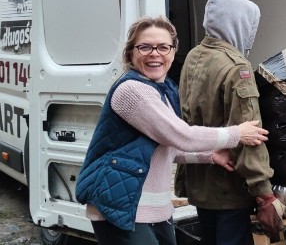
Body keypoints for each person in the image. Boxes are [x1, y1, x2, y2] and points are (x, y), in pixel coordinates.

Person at [75, 16, 270, 245]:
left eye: (163, 47)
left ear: (172, 52)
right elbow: (181, 135)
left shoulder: (162, 90)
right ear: (130, 53)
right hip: (121, 206)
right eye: (145, 47)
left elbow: (167, 146)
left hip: (154, 210)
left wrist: (209, 155)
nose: (154, 54)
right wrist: (237, 133)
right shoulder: (132, 90)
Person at [178, 0, 286, 245]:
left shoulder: (193, 57)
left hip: (200, 184)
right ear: (238, 22)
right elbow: (248, 135)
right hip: (228, 188)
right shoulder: (237, 68)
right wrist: (264, 195)